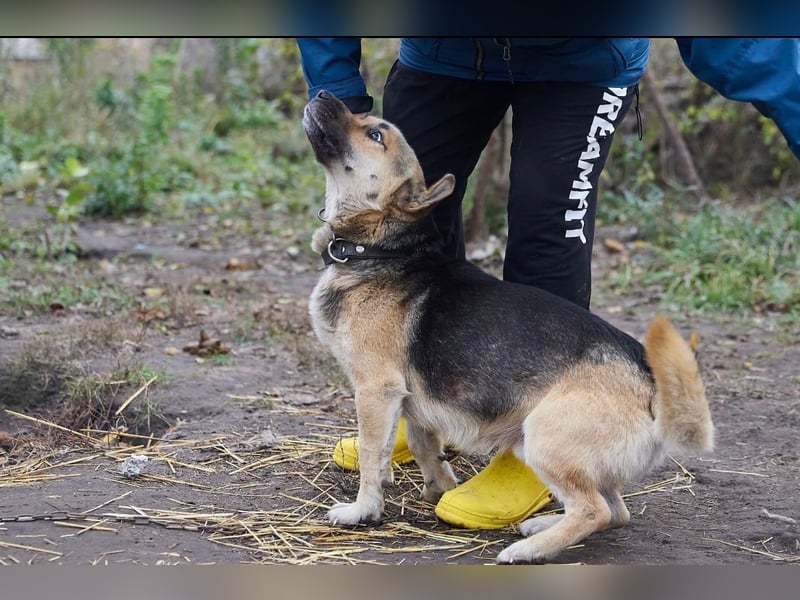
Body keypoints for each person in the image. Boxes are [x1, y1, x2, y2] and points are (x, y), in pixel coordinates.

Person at [296, 37, 800, 530]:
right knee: (411, 216)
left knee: (548, 231)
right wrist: (339, 88)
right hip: (443, 50)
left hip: (582, 60)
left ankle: (539, 442)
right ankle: (428, 405)